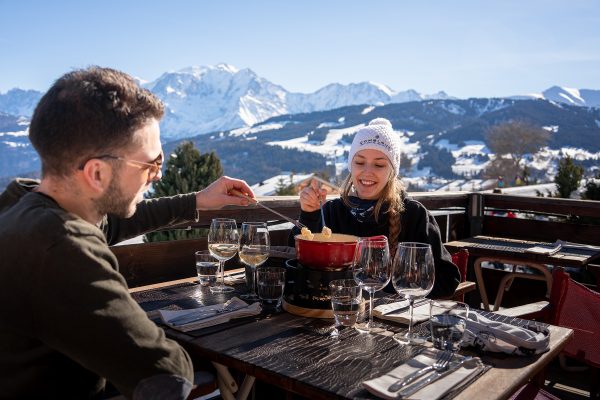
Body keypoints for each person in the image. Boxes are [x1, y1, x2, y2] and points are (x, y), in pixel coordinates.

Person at [0, 67, 255, 399]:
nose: (157, 175)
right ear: (97, 173)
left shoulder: (22, 205)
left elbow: (114, 223)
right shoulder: (62, 249)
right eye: (150, 164)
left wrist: (196, 201)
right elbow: (165, 373)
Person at [289, 118, 460, 298]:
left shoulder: (414, 215)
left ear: (392, 171)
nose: (367, 171)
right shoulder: (332, 211)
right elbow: (296, 263)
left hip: (393, 321)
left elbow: (447, 281)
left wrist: (389, 287)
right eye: (360, 162)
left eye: (379, 164)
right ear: (350, 165)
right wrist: (309, 215)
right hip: (337, 316)